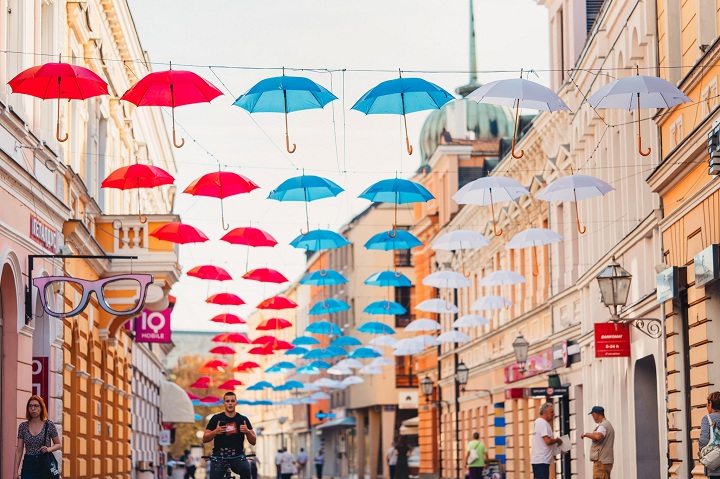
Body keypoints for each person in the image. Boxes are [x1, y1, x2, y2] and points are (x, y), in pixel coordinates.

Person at [203, 391, 257, 479]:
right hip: (219, 455)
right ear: (224, 403)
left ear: (236, 403)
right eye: (227, 401)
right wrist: (215, 432)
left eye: (232, 401)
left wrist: (247, 431)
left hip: (237, 455)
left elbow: (253, 441)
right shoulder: (216, 418)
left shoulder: (243, 419)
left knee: (246, 469)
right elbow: (205, 439)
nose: (230, 403)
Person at [13, 395, 62, 479]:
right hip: (29, 465)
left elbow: (58, 444)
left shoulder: (49, 425)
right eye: (30, 406)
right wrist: (15, 472)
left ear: (41, 408)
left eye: (36, 406)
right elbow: (19, 450)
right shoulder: (23, 426)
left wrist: (48, 449)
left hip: (44, 463)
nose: (33, 408)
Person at [531, 402, 563, 479]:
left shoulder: (538, 422)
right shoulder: (543, 423)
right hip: (541, 460)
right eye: (551, 412)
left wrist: (559, 449)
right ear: (545, 412)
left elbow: (543, 444)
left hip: (540, 460)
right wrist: (557, 440)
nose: (553, 414)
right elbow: (548, 441)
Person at [581, 406, 615, 479]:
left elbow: (598, 436)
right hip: (607, 461)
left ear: (595, 414)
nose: (593, 417)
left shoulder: (603, 425)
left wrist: (585, 434)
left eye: (592, 415)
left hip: (601, 462)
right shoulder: (608, 424)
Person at [700, 391, 720, 477]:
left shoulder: (708, 419)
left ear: (710, 404)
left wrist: (702, 451)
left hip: (715, 467)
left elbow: (704, 441)